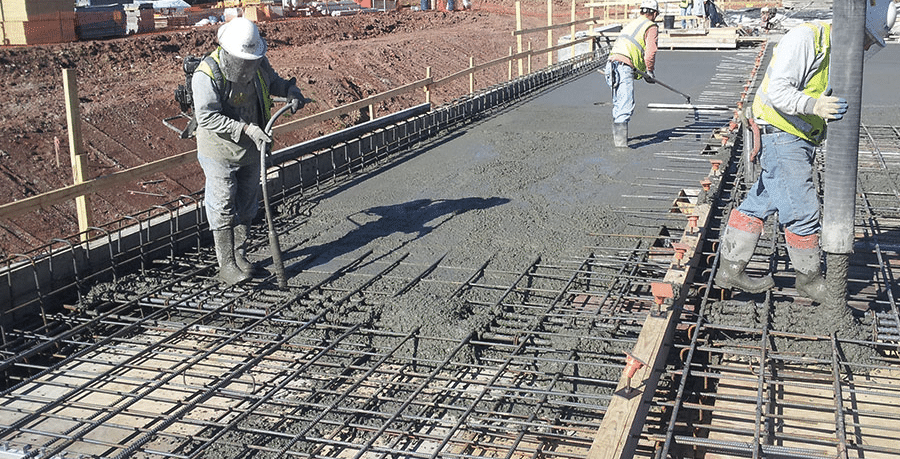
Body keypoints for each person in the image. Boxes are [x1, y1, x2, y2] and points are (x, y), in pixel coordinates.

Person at [714, 0, 896, 303]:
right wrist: (814, 106)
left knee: (761, 202)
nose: (865, 48)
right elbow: (778, 92)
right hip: (779, 131)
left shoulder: (839, 54)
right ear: (851, 27)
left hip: (798, 136)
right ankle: (809, 280)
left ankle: (730, 269)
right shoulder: (806, 38)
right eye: (865, 39)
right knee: (802, 210)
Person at [192, 17, 307, 285]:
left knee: (247, 202)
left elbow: (273, 82)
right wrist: (246, 130)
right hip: (219, 150)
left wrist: (291, 90)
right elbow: (207, 117)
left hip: (251, 149)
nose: (247, 65)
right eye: (242, 60)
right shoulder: (206, 74)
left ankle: (240, 256)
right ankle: (226, 264)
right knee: (222, 204)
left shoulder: (257, 62)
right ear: (228, 52)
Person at [604, 0, 659, 148]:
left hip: (611, 64)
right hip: (623, 66)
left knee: (618, 102)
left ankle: (619, 140)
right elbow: (650, 52)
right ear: (654, 13)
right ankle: (620, 147)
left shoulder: (632, 23)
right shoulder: (651, 26)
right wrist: (650, 71)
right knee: (625, 104)